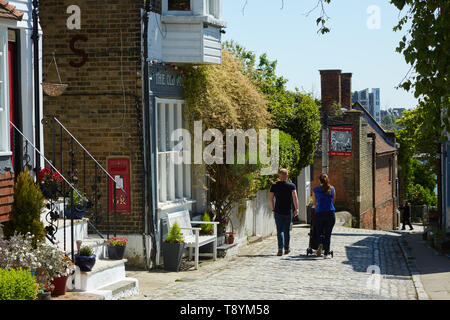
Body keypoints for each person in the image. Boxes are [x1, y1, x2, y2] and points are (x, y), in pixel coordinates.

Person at [269, 169, 299, 256]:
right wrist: (296, 209)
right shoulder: (291, 185)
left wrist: (273, 208)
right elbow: (295, 197)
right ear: (287, 176)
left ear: (279, 176)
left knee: (279, 231)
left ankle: (280, 249)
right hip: (288, 211)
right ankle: (286, 248)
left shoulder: (274, 185)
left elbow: (270, 198)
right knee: (287, 231)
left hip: (278, 210)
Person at [312, 173, 336, 259]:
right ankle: (326, 253)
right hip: (330, 213)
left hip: (319, 213)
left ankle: (320, 243)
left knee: (319, 232)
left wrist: (315, 207)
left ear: (319, 180)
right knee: (328, 234)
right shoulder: (332, 189)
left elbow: (314, 203)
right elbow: (333, 201)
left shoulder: (315, 190)